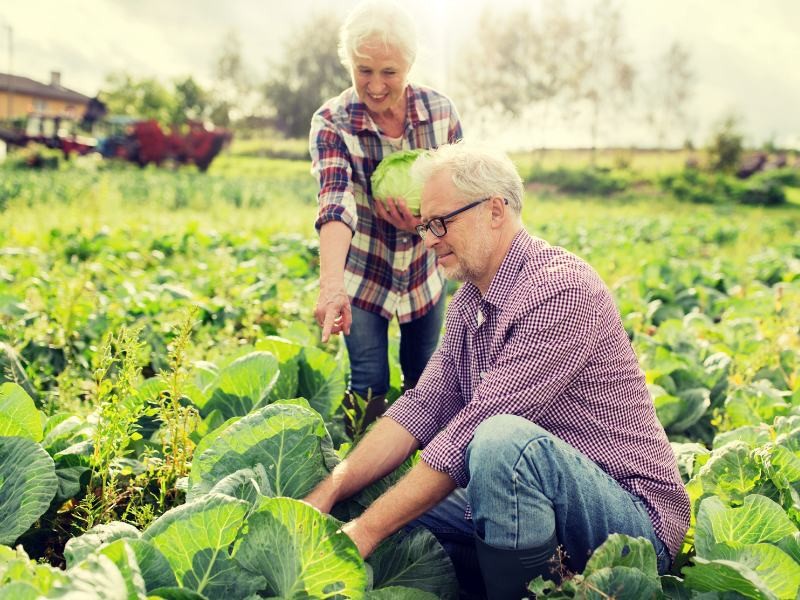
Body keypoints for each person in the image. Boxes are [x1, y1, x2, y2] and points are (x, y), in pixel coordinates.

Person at [304, 143, 691, 599]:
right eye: (425, 225)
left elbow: (473, 430)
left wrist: (366, 532)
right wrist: (330, 489)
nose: (428, 239)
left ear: (493, 210)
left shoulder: (560, 289)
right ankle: (519, 575)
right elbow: (421, 409)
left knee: (499, 439)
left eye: (440, 222)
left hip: (628, 520)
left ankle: (520, 588)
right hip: (523, 498)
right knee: (373, 492)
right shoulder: (469, 300)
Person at [310, 0, 463, 432]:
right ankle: (365, 475)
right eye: (364, 70)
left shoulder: (440, 114)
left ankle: (418, 475)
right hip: (364, 273)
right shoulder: (331, 122)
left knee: (425, 380)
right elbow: (335, 201)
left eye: (389, 72)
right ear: (349, 64)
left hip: (424, 270)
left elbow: (462, 193)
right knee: (369, 384)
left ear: (410, 65)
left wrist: (423, 224)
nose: (375, 86)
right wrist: (331, 286)